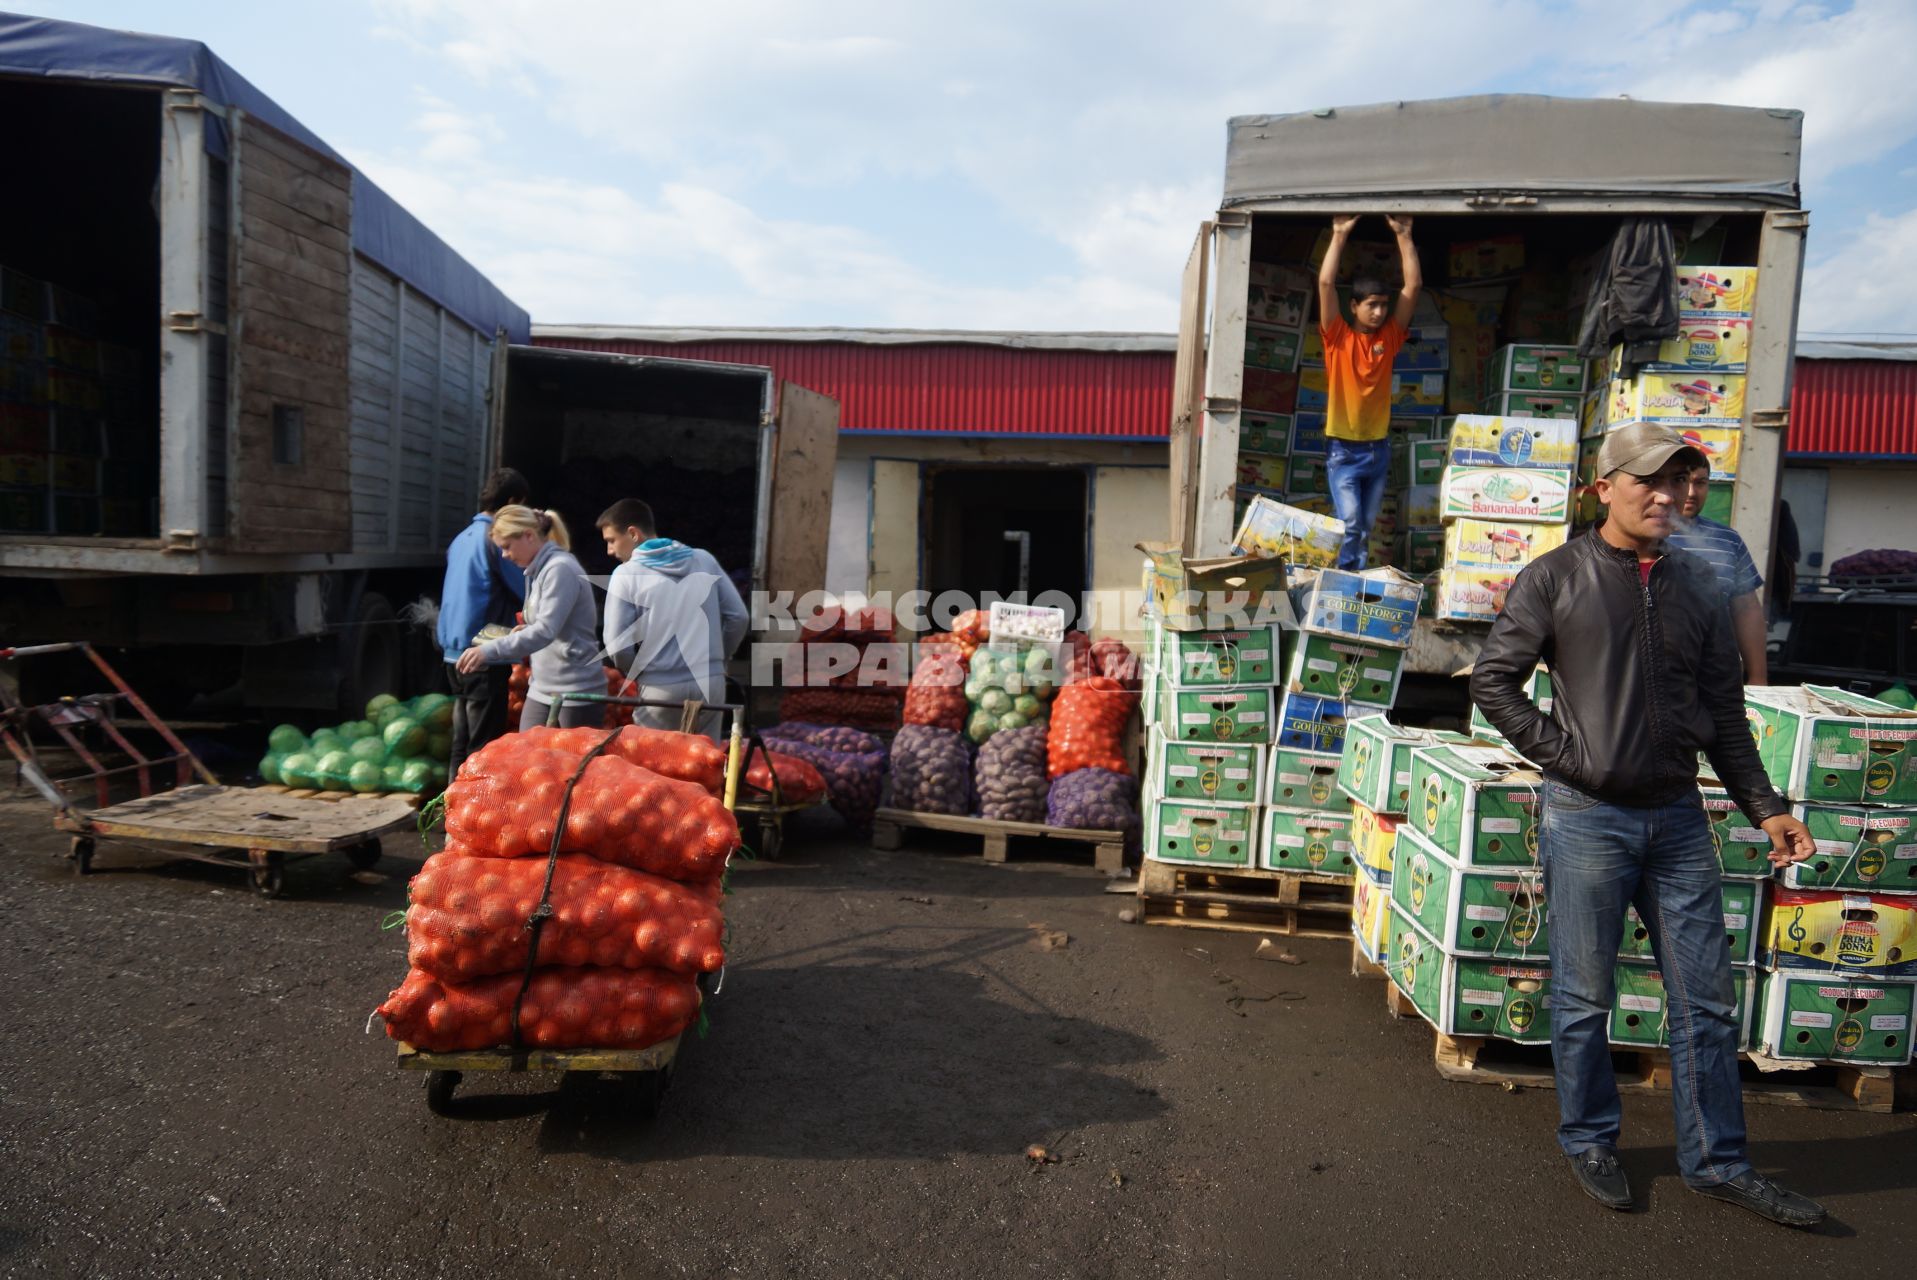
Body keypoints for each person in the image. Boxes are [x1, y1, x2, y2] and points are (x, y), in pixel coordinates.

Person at [1470, 421, 1825, 1228]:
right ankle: (1590, 1138)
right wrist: (1568, 758)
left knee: (1705, 1002)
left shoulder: (1697, 588)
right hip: (1587, 818)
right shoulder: (1554, 577)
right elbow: (1495, 682)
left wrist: (1765, 808)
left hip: (1676, 819)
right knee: (1583, 994)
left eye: (1679, 482)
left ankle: (1717, 1161)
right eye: (1649, 482)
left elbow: (1724, 716)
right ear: (1604, 490)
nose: (1668, 496)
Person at [1316, 213, 1421, 570]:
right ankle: (1346, 582)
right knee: (1349, 524)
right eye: (1370, 305)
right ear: (1354, 307)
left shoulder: (1388, 339)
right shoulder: (1337, 338)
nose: (1378, 312)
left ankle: (1349, 577)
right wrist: (1339, 235)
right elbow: (1326, 284)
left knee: (1364, 526)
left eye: (1383, 305)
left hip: (1378, 449)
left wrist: (1404, 235)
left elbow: (1413, 288)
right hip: (1343, 450)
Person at [598, 499, 750, 741]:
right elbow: (739, 617)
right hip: (710, 685)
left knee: (656, 768)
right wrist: (718, 659)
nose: (610, 550)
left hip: (659, 690)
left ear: (633, 533)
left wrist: (638, 673)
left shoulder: (626, 575)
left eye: (611, 541)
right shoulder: (704, 559)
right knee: (704, 765)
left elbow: (617, 644)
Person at [455, 506, 605, 730]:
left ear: (528, 536)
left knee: (567, 764)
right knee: (527, 758)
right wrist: (525, 630)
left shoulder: (560, 569)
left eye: (507, 547)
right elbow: (545, 625)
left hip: (575, 691)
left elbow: (545, 631)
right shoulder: (537, 571)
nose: (505, 555)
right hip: (542, 688)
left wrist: (487, 651)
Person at [437, 468, 529, 775]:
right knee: (482, 747)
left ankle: (450, 814)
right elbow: (523, 590)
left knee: (460, 743)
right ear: (513, 501)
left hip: (453, 650)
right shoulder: (496, 542)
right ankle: (469, 818)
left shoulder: (462, 538)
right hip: (483, 649)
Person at [1666, 459, 1768, 682]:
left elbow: (1746, 608)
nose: (1692, 492)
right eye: (1683, 481)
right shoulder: (1642, 537)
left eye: (1700, 483)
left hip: (1713, 678)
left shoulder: (1728, 540)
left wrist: (1758, 678)